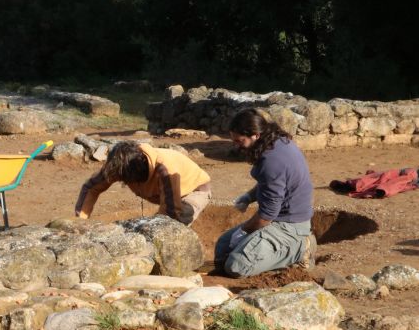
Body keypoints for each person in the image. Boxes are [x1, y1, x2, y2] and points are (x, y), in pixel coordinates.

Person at [214, 108, 316, 278]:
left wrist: (244, 231)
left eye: (240, 141)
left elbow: (266, 216)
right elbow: (272, 184)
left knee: (236, 266)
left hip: (289, 225)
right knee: (224, 246)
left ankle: (301, 249)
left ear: (255, 135)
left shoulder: (272, 161)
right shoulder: (276, 143)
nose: (236, 146)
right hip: (279, 218)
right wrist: (249, 196)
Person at [74, 140, 212, 225]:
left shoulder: (165, 170)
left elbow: (171, 214)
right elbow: (91, 188)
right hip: (163, 194)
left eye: (126, 180)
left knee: (180, 217)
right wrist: (81, 222)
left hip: (194, 191)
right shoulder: (120, 164)